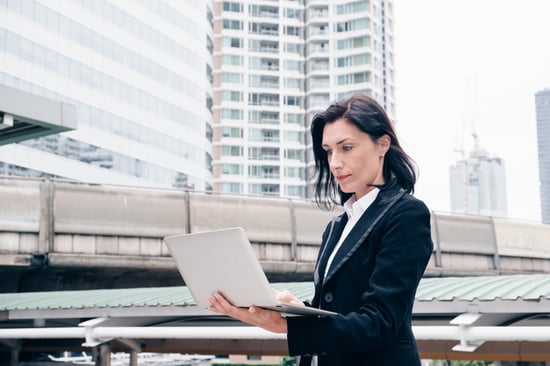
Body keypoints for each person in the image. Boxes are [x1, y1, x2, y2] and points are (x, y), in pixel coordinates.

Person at [208, 94, 434, 365]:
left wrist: (285, 326)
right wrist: (297, 310)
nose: (335, 162)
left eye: (346, 147)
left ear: (382, 144)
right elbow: (337, 310)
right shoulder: (337, 226)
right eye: (328, 151)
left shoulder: (406, 214)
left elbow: (380, 323)